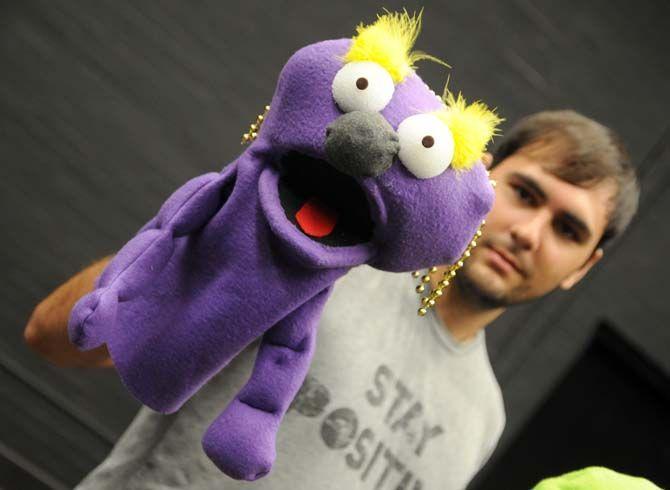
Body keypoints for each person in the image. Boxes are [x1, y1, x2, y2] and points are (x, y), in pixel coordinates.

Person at [24, 110, 639, 490]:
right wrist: (221, 233)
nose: (530, 234)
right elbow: (58, 340)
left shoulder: (484, 418)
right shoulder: (326, 258)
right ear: (477, 176)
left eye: (568, 230)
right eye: (526, 193)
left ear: (581, 270)